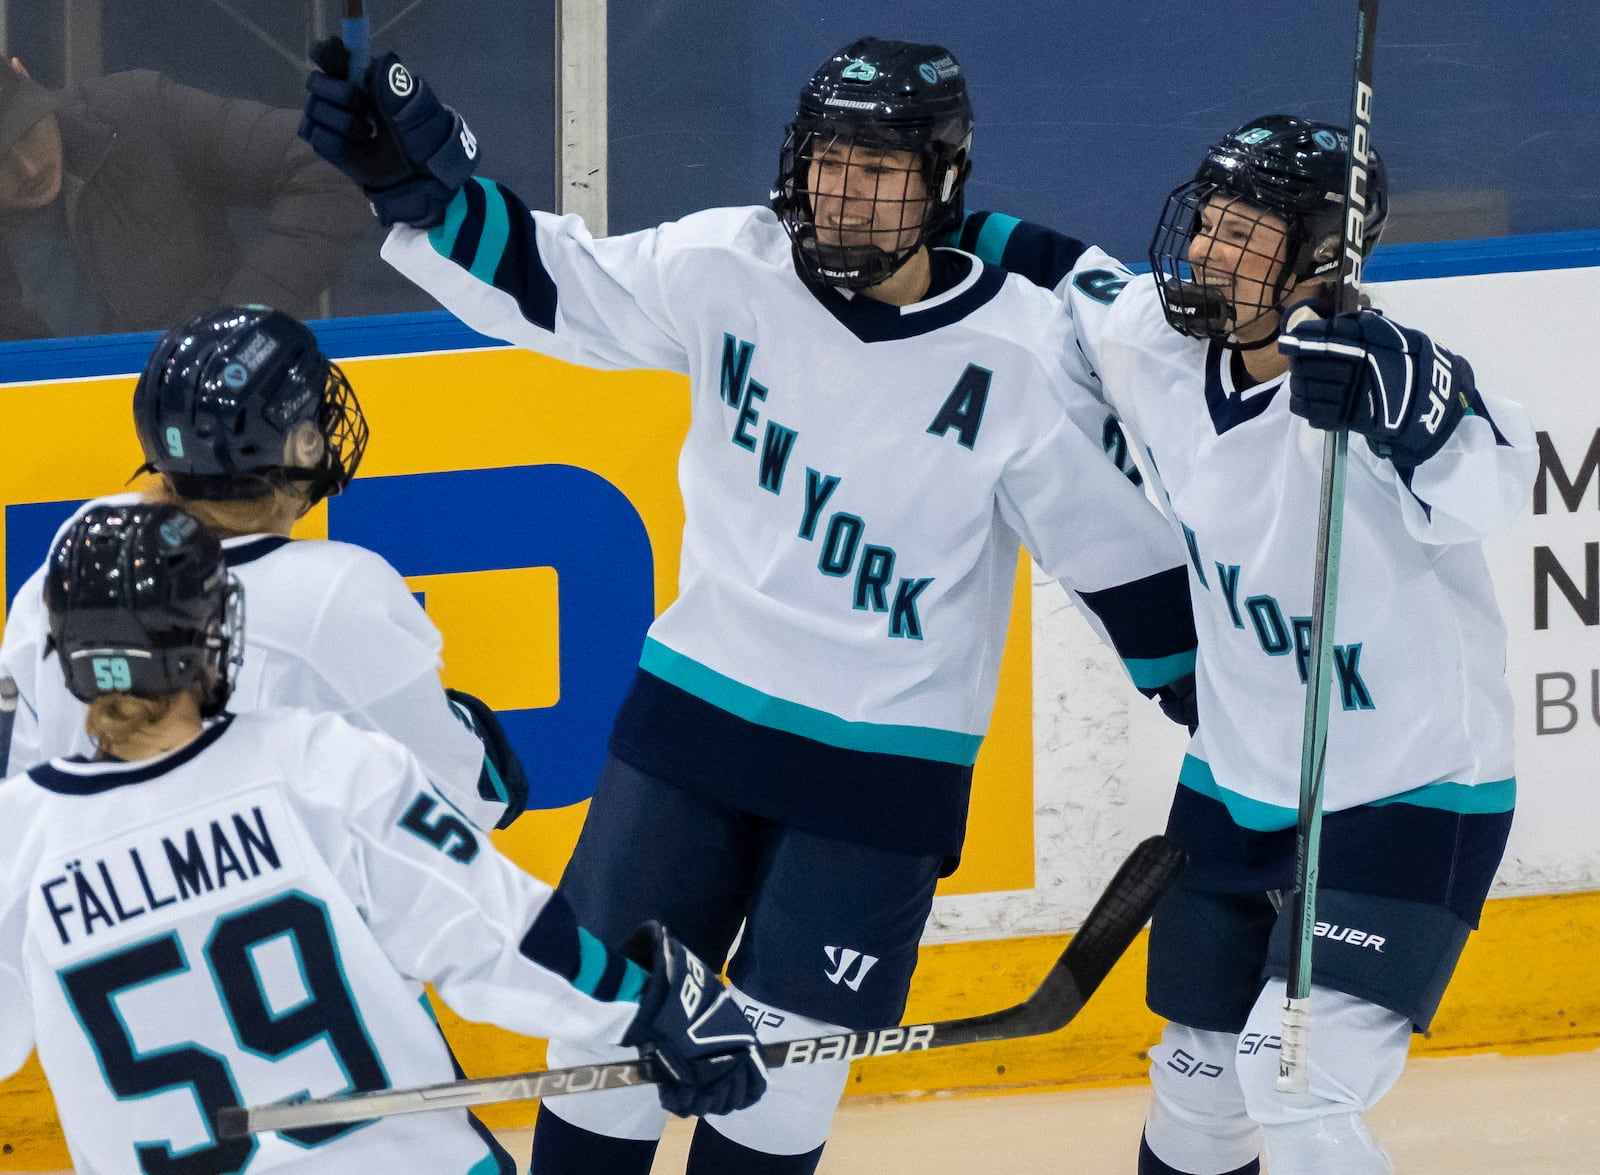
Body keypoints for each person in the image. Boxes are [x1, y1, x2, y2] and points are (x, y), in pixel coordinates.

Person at [300, 35, 1201, 1175]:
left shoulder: (1019, 354)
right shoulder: (732, 263)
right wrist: (423, 191)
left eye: (879, 169)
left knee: (771, 1108)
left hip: (876, 786)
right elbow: (555, 281)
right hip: (684, 742)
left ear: (944, 181)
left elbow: (1119, 561)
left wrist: (1220, 709)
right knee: (606, 1056)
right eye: (829, 159)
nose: (842, 191)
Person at [954, 115, 1537, 1173]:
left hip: (1409, 794)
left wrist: (1406, 406)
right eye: (1208, 223)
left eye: (1242, 233)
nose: (1207, 251)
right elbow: (1061, 272)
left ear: (1322, 254)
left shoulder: (1385, 383)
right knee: (1195, 1084)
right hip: (1234, 782)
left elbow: (1490, 479)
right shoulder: (1152, 341)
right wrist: (933, 218)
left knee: (1295, 1081)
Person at [0, 501, 765, 1175]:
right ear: (213, 628)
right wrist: (655, 1005)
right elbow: (502, 939)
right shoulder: (320, 764)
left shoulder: (18, 839)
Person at [0, 304, 526, 831]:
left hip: (86, 901)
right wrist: (465, 725)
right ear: (302, 444)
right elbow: (465, 798)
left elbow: (19, 781)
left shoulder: (79, 547)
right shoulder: (337, 592)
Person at [0, 57, 371, 340]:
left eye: (29, 129)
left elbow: (330, 158)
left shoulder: (134, 112)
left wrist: (240, 329)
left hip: (223, 410)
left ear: (24, 73)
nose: (30, 168)